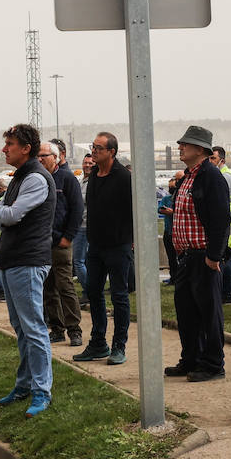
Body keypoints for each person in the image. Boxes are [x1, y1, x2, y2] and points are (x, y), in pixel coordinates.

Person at [0, 124, 58, 418]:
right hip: (13, 261)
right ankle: (24, 385)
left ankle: (42, 392)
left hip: (28, 261)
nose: (5, 149)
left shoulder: (35, 178)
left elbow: (11, 214)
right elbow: (2, 211)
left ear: (26, 148)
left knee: (34, 329)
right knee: (22, 329)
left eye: (10, 144)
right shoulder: (21, 176)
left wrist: (0, 211)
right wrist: (0, 210)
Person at [166, 126, 231, 383]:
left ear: (200, 149)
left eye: (186, 144)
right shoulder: (188, 177)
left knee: (209, 312)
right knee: (186, 312)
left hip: (203, 256)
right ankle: (191, 358)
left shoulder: (210, 177)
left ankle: (213, 364)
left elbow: (220, 219)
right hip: (186, 257)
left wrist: (214, 255)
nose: (180, 147)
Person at [73, 132, 134, 366]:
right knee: (94, 292)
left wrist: (131, 238)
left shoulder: (123, 177)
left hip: (118, 245)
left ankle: (119, 345)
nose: (94, 151)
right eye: (93, 147)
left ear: (112, 152)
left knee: (119, 296)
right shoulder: (95, 176)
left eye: (99, 148)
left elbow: (133, 209)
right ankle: (98, 343)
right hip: (95, 245)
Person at [41, 141, 84, 347]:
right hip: (41, 244)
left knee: (65, 285)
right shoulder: (37, 179)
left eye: (44, 156)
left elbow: (77, 210)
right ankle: (56, 328)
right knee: (47, 288)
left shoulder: (66, 179)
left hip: (60, 243)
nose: (40, 159)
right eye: (37, 156)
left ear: (56, 158)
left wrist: (68, 236)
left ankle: (74, 329)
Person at [73, 155, 93, 303]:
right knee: (84, 261)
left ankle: (89, 291)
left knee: (78, 261)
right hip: (79, 225)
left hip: (85, 226)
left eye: (90, 163)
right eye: (85, 163)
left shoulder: (93, 182)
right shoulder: (81, 182)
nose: (87, 165)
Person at [159, 173, 181, 284]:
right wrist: (165, 210)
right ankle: (173, 278)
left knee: (180, 259)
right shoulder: (166, 198)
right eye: (170, 186)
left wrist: (173, 212)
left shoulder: (181, 198)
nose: (172, 188)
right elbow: (159, 209)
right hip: (168, 232)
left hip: (178, 232)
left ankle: (180, 278)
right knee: (171, 258)